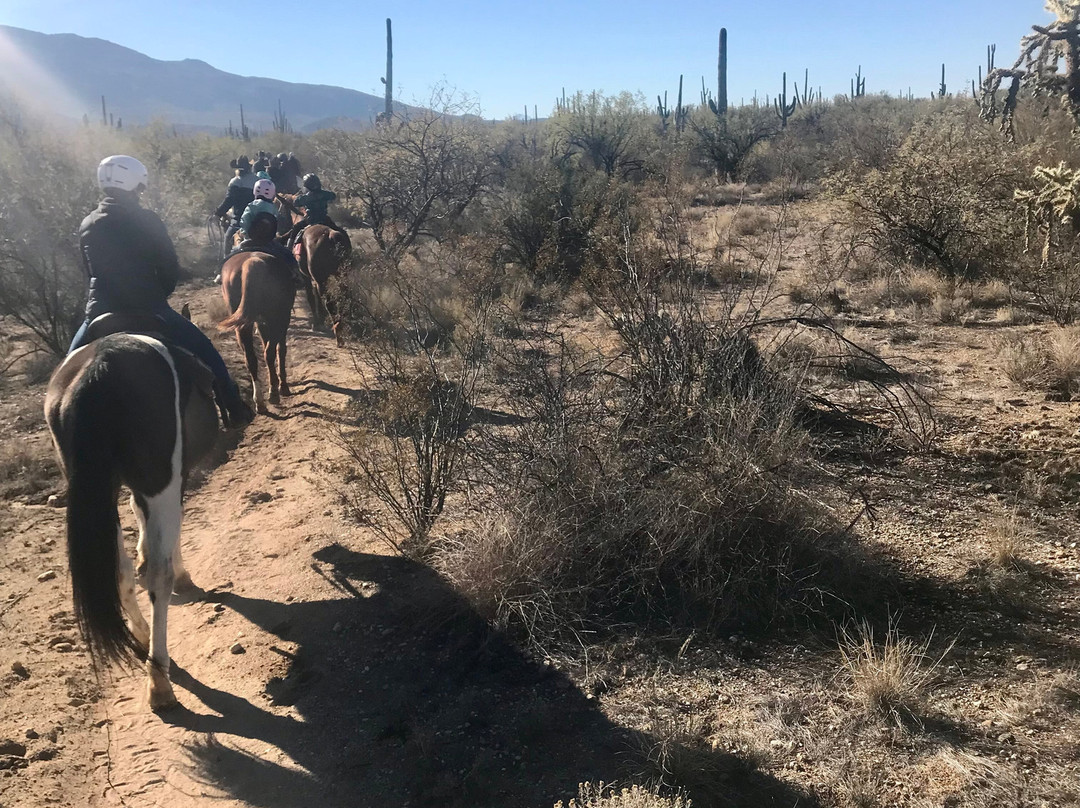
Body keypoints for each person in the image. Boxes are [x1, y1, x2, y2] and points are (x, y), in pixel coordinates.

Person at [70, 155, 255, 427]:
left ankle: (63, 427)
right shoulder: (147, 220)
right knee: (207, 352)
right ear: (135, 186)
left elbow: (89, 272)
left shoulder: (87, 224)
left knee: (66, 372)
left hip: (99, 310)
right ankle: (232, 407)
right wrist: (159, 296)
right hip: (149, 307)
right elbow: (169, 267)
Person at [231, 179, 303, 284]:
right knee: (288, 254)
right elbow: (276, 222)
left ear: (255, 191)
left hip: (250, 240)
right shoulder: (272, 207)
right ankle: (295, 274)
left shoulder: (251, 206)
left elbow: (244, 221)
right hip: (268, 242)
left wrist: (246, 233)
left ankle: (220, 273)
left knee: (232, 253)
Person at [214, 155, 256, 257]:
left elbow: (229, 200)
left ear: (237, 169)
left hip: (239, 220)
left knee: (228, 237)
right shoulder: (258, 180)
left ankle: (223, 265)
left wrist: (218, 212)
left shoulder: (236, 182)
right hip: (258, 220)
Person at [280, 173, 338, 245]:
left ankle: (289, 249)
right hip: (324, 219)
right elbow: (333, 196)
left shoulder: (304, 197)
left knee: (295, 229)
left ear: (307, 187)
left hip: (310, 220)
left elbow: (296, 203)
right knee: (338, 230)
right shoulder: (325, 194)